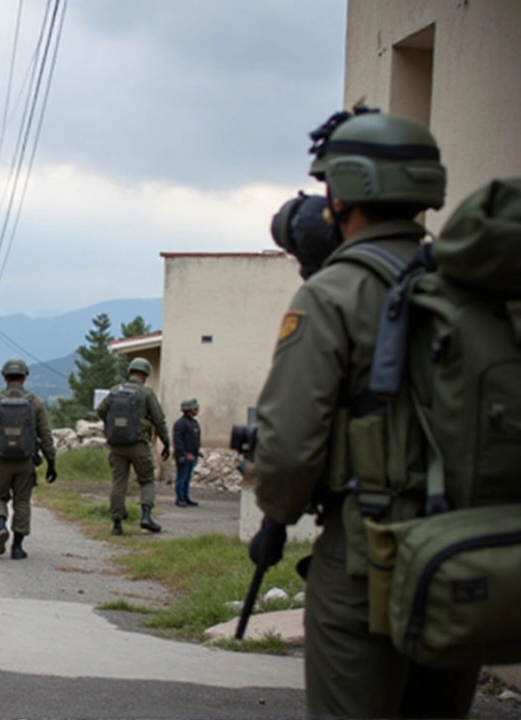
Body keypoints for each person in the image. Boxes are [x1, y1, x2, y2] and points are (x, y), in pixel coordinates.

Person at [250, 107, 479, 718]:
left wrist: (276, 514)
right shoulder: (472, 287)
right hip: (468, 555)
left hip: (369, 559)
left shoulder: (335, 292)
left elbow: (289, 448)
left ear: (346, 190)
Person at [0, 358, 57, 559]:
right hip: (25, 460)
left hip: (2, 460)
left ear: (4, 377)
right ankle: (18, 547)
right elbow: (45, 434)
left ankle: (1, 526)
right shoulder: (34, 402)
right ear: (24, 377)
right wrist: (51, 462)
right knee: (22, 501)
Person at [95, 357, 169, 535]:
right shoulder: (147, 393)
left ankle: (117, 524)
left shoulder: (115, 390)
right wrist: (166, 442)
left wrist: (112, 425)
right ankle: (146, 516)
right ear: (146, 374)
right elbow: (159, 420)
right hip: (138, 444)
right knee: (146, 481)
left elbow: (100, 410)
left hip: (117, 445)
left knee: (119, 483)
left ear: (130, 372)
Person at [171, 398, 201, 507]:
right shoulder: (181, 424)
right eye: (195, 408)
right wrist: (184, 454)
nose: (197, 410)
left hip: (192, 455)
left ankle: (185, 497)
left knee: (187, 477)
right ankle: (180, 498)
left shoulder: (193, 423)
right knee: (182, 477)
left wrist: (197, 452)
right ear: (189, 409)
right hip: (184, 456)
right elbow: (178, 441)